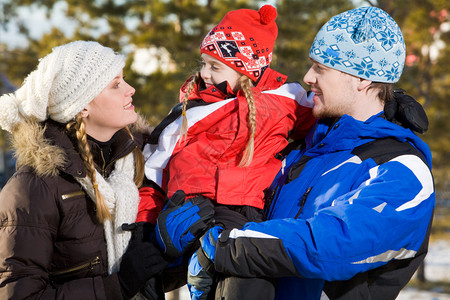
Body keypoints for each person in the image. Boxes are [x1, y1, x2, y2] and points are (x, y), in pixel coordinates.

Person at [156, 6, 435, 300]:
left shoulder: (401, 168)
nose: (307, 77)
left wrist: (227, 246)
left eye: (321, 68)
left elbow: (338, 242)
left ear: (362, 79)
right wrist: (188, 236)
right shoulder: (300, 151)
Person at [138, 5, 316, 300]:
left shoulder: (283, 102)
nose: (204, 73)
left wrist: (386, 108)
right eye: (204, 63)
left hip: (242, 212)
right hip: (187, 212)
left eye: (215, 67)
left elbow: (333, 118)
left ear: (246, 71)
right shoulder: (193, 110)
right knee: (143, 273)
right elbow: (153, 168)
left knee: (247, 280)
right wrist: (144, 225)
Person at [0, 41, 167, 300]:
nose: (130, 90)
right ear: (82, 106)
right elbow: (19, 295)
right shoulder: (35, 187)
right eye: (115, 85)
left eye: (124, 80)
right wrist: (118, 286)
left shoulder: (138, 167)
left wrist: (172, 253)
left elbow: (149, 277)